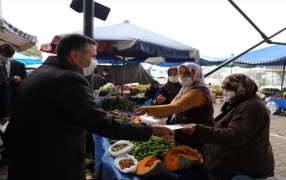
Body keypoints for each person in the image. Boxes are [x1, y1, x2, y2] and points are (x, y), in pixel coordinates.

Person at [8, 34, 174, 180]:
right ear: (75, 55)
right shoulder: (68, 78)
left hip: (27, 157)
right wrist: (150, 130)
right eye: (93, 56)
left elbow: (50, 113)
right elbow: (102, 124)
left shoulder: (40, 72)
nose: (94, 61)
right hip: (53, 163)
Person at [180, 74, 275, 180]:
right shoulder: (240, 101)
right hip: (232, 165)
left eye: (230, 88)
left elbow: (234, 136)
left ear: (242, 88)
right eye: (224, 88)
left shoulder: (251, 107)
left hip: (244, 170)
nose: (225, 92)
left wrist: (198, 130)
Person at [134, 62, 214, 149]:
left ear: (197, 74)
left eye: (187, 73)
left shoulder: (198, 91)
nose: (182, 76)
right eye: (181, 73)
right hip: (186, 130)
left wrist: (147, 109)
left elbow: (176, 107)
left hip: (196, 134)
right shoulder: (186, 88)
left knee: (193, 156)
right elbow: (173, 105)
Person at [0, 43, 26, 166]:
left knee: (12, 129)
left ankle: (9, 153)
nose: (7, 58)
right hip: (1, 102)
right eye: (5, 55)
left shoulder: (19, 65)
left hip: (14, 102)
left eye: (10, 56)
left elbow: (26, 83)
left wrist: (19, 81)